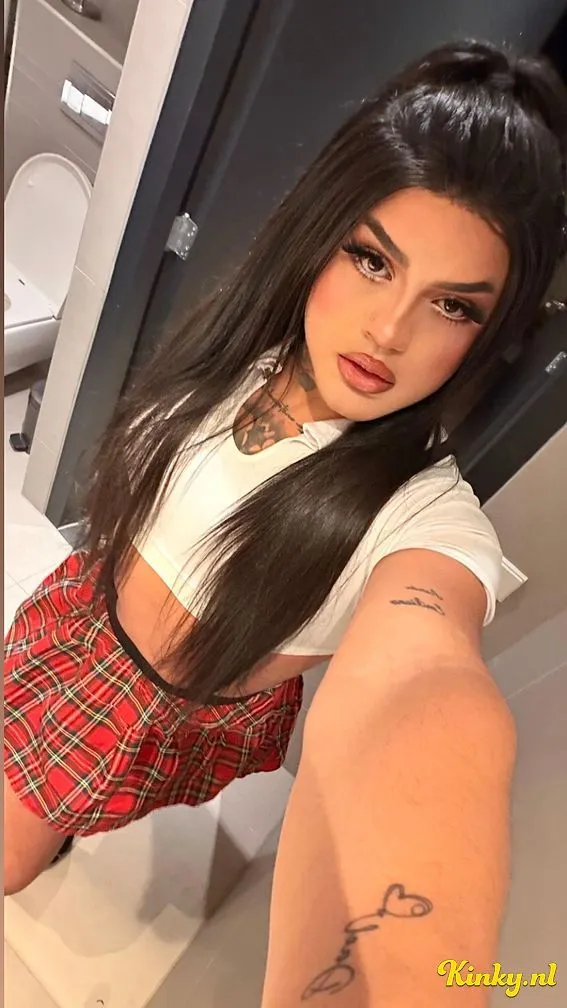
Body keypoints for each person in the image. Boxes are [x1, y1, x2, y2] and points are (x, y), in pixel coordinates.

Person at [4, 37, 566, 1004]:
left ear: (491, 334)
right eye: (371, 259)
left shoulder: (423, 521)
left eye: (451, 306)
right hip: (78, 620)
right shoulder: (244, 352)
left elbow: (421, 682)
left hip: (152, 715)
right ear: (319, 234)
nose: (388, 331)